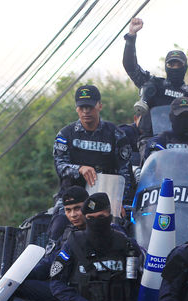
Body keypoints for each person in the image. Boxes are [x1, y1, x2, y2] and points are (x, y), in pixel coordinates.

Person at [51, 84, 134, 238]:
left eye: (89, 107)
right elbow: (59, 165)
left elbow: (126, 173)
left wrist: (119, 200)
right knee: (58, 227)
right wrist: (79, 169)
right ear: (76, 109)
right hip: (72, 199)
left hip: (106, 198)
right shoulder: (65, 134)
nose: (86, 111)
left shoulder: (116, 134)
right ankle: (52, 258)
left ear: (99, 106)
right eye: (82, 107)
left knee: (126, 230)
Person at [122, 17, 188, 143]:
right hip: (150, 143)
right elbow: (130, 66)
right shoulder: (153, 85)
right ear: (166, 66)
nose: (175, 68)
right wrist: (131, 36)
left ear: (185, 67)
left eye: (178, 65)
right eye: (171, 65)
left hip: (181, 145)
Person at [118, 100, 147, 167]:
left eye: (149, 120)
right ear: (135, 119)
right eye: (143, 120)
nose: (147, 123)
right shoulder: (125, 132)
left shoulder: (157, 135)